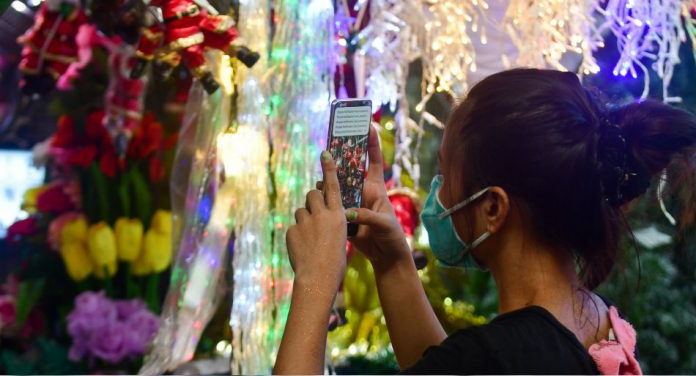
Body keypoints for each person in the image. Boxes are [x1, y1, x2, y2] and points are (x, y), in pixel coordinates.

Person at [273, 69, 696, 375]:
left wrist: (314, 280)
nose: (439, 195)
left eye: (446, 175)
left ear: (493, 208)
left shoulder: (500, 356)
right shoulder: (591, 318)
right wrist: (392, 262)